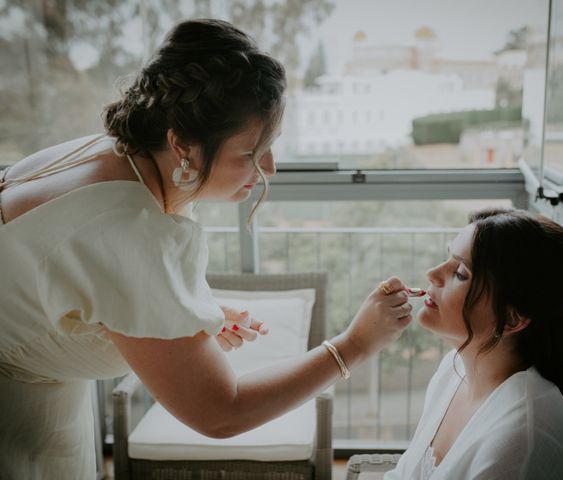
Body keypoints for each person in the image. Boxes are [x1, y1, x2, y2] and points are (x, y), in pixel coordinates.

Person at [0, 19, 414, 479]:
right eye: (251, 153)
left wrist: (178, 318)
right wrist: (354, 344)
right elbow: (222, 412)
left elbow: (55, 283)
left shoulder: (108, 153)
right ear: (184, 146)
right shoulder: (136, 231)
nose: (268, 168)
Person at [384, 208, 563, 480]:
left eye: (460, 273)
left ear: (511, 318)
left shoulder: (518, 440)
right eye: (446, 258)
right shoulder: (454, 368)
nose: (432, 273)